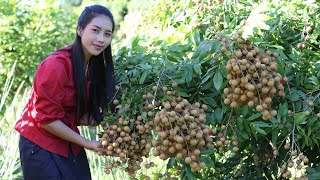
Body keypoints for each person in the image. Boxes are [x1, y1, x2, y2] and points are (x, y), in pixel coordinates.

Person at [14, 4, 116, 180]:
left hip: (66, 140)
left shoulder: (92, 68)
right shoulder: (56, 65)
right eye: (95, 30)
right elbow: (46, 119)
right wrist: (88, 143)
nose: (101, 39)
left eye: (107, 34)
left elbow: (72, 113)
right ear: (80, 29)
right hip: (39, 144)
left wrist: (114, 119)